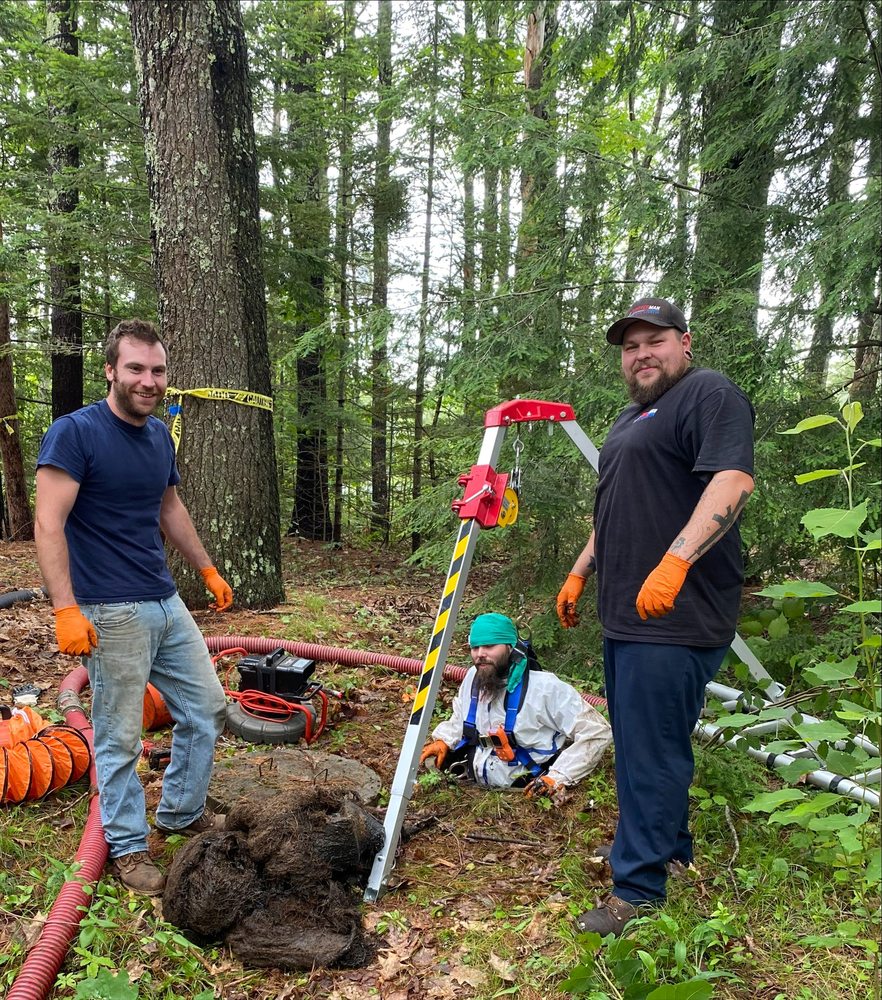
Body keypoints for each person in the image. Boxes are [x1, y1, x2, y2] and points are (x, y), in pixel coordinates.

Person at [556, 297, 755, 936]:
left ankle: (637, 889)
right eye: (630, 346)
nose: (642, 354)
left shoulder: (708, 394)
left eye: (655, 340)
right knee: (653, 742)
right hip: (626, 615)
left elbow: (731, 482)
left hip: (677, 613)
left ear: (685, 342)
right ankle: (670, 846)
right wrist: (581, 570)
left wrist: (674, 562)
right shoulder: (631, 418)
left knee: (647, 753)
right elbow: (613, 507)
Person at [34, 319, 233, 896]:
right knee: (117, 737)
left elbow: (169, 506)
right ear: (111, 372)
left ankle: (178, 812)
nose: (149, 381)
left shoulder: (156, 438)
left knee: (207, 709)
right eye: (136, 369)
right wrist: (65, 609)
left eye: (158, 370)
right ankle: (126, 845)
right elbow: (49, 524)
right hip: (109, 609)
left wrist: (205, 568)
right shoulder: (76, 433)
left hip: (165, 600)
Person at [419, 612, 611, 800]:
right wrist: (444, 740)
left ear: (510, 647)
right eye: (475, 647)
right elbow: (461, 717)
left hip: (526, 792)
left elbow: (597, 731)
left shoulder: (545, 688)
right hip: (473, 788)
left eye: (489, 646)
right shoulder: (473, 677)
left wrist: (557, 777)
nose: (480, 654)